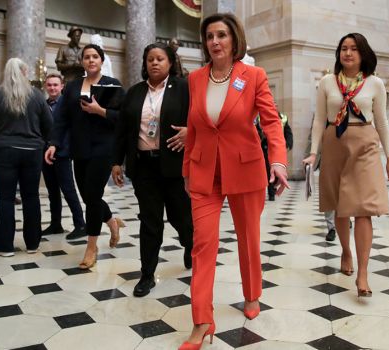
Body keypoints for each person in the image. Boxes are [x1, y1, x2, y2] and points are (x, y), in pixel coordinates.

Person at [179, 13, 289, 349]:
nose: (215, 42)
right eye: (210, 36)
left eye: (222, 35)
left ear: (234, 39)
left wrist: (279, 162)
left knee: (248, 238)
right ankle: (201, 321)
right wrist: (187, 168)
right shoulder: (195, 79)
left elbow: (271, 122)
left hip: (245, 169)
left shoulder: (253, 75)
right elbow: (194, 127)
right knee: (202, 245)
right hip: (204, 172)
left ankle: (252, 294)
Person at [303, 33, 389, 298]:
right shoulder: (326, 82)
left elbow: (382, 122)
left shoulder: (375, 83)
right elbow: (319, 120)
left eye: (354, 49)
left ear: (363, 53)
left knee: (364, 208)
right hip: (335, 143)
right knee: (340, 206)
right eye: (343, 48)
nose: (348, 53)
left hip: (365, 143)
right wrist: (313, 153)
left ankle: (363, 272)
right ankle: (346, 251)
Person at [111, 42, 193, 297]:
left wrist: (192, 132)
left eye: (160, 59)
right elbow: (122, 131)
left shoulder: (184, 89)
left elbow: (200, 117)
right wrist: (116, 161)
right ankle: (147, 275)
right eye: (150, 60)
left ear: (170, 62)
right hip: (144, 166)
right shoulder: (134, 93)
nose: (154, 63)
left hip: (175, 166)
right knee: (150, 223)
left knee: (182, 218)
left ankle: (189, 246)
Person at [45, 44, 125, 269]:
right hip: (79, 149)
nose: (91, 60)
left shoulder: (112, 84)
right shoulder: (71, 87)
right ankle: (111, 222)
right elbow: (61, 119)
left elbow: (124, 117)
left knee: (93, 195)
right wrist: (53, 144)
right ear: (82, 62)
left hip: (104, 148)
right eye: (87, 57)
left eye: (95, 57)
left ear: (101, 60)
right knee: (89, 197)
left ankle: (91, 247)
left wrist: (99, 110)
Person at [0, 58, 52, 256]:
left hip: (5, 151)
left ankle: (4, 247)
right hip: (32, 152)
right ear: (24, 72)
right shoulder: (36, 95)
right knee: (31, 197)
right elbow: (49, 123)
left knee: (5, 198)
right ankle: (32, 244)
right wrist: (40, 142)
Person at [41, 73, 86, 238]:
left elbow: (69, 130)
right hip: (45, 153)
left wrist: (59, 146)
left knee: (68, 190)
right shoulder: (43, 105)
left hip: (62, 152)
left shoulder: (67, 105)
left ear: (61, 87)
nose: (52, 88)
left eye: (55, 85)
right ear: (46, 86)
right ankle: (55, 224)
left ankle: (80, 224)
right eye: (49, 85)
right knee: (52, 191)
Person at [256, 111, 293, 201]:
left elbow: (288, 133)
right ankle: (271, 193)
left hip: (278, 147)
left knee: (276, 172)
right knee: (268, 170)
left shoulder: (283, 118)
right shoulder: (259, 118)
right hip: (265, 146)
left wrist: (288, 144)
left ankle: (273, 188)